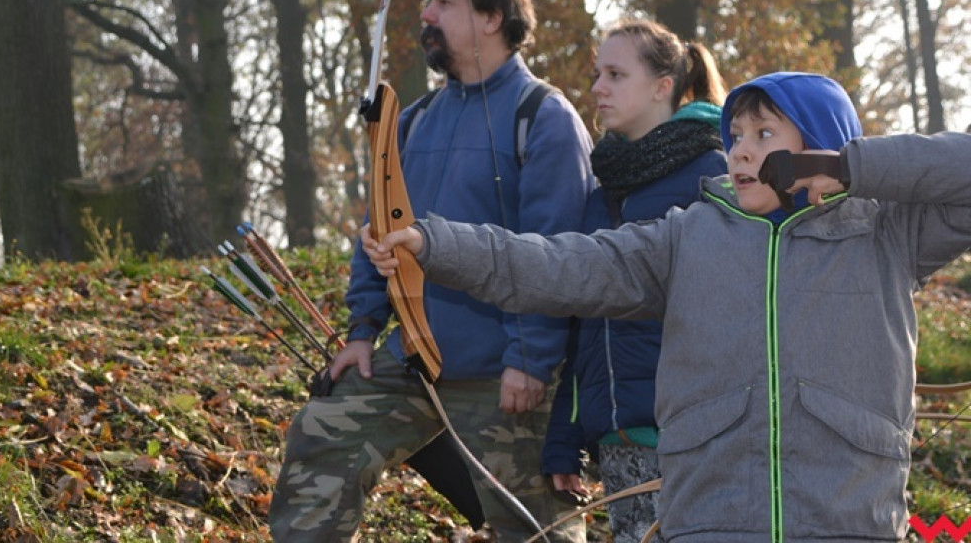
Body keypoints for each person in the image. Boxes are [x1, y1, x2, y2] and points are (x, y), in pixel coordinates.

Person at [365, 71, 971, 543]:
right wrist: (433, 244)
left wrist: (852, 167)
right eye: (734, 136)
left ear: (819, 146)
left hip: (852, 521)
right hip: (711, 520)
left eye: (764, 135)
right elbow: (556, 265)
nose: (738, 152)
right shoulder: (686, 237)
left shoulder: (887, 235)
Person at [269, 0, 593, 542]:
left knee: (536, 530)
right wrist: (363, 330)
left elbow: (559, 255)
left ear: (492, 17)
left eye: (444, 2)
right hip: (415, 357)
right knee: (322, 436)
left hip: (508, 370)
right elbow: (375, 231)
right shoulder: (413, 121)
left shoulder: (542, 118)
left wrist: (531, 359)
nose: (426, 13)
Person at [544, 19, 727, 543]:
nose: (597, 87)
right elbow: (581, 321)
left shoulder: (713, 176)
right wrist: (565, 436)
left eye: (616, 74)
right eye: (597, 73)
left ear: (662, 86)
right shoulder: (601, 193)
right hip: (617, 439)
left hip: (694, 439)